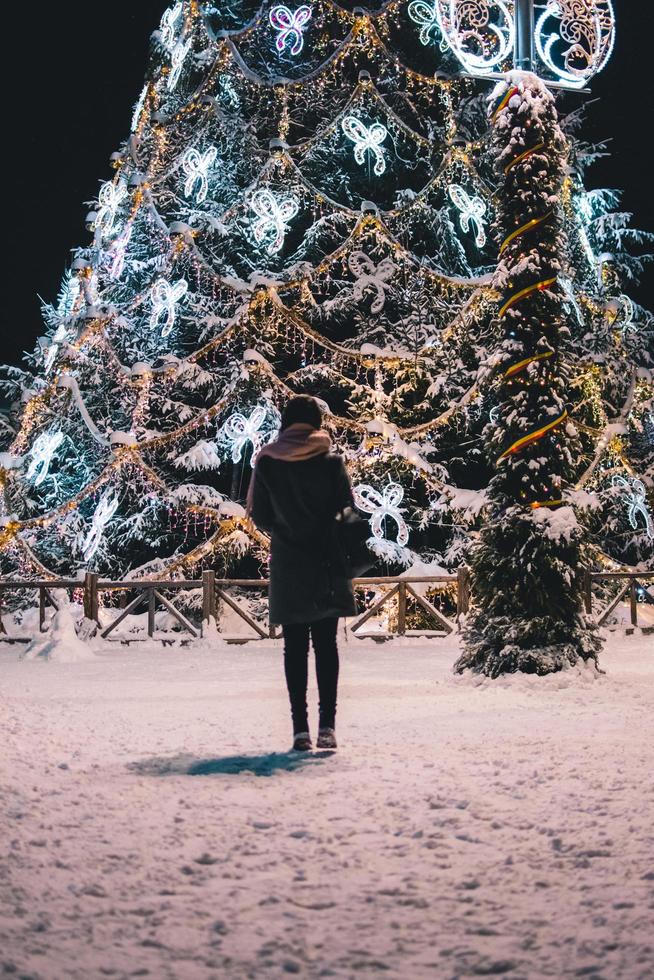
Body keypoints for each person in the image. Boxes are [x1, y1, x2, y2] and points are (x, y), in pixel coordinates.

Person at [247, 395, 356, 752]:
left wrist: (287, 526)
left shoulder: (268, 463)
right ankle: (327, 726)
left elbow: (259, 516)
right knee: (326, 645)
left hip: (290, 563)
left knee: (294, 647)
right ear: (316, 423)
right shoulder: (332, 463)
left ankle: (299, 729)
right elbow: (347, 512)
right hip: (327, 562)